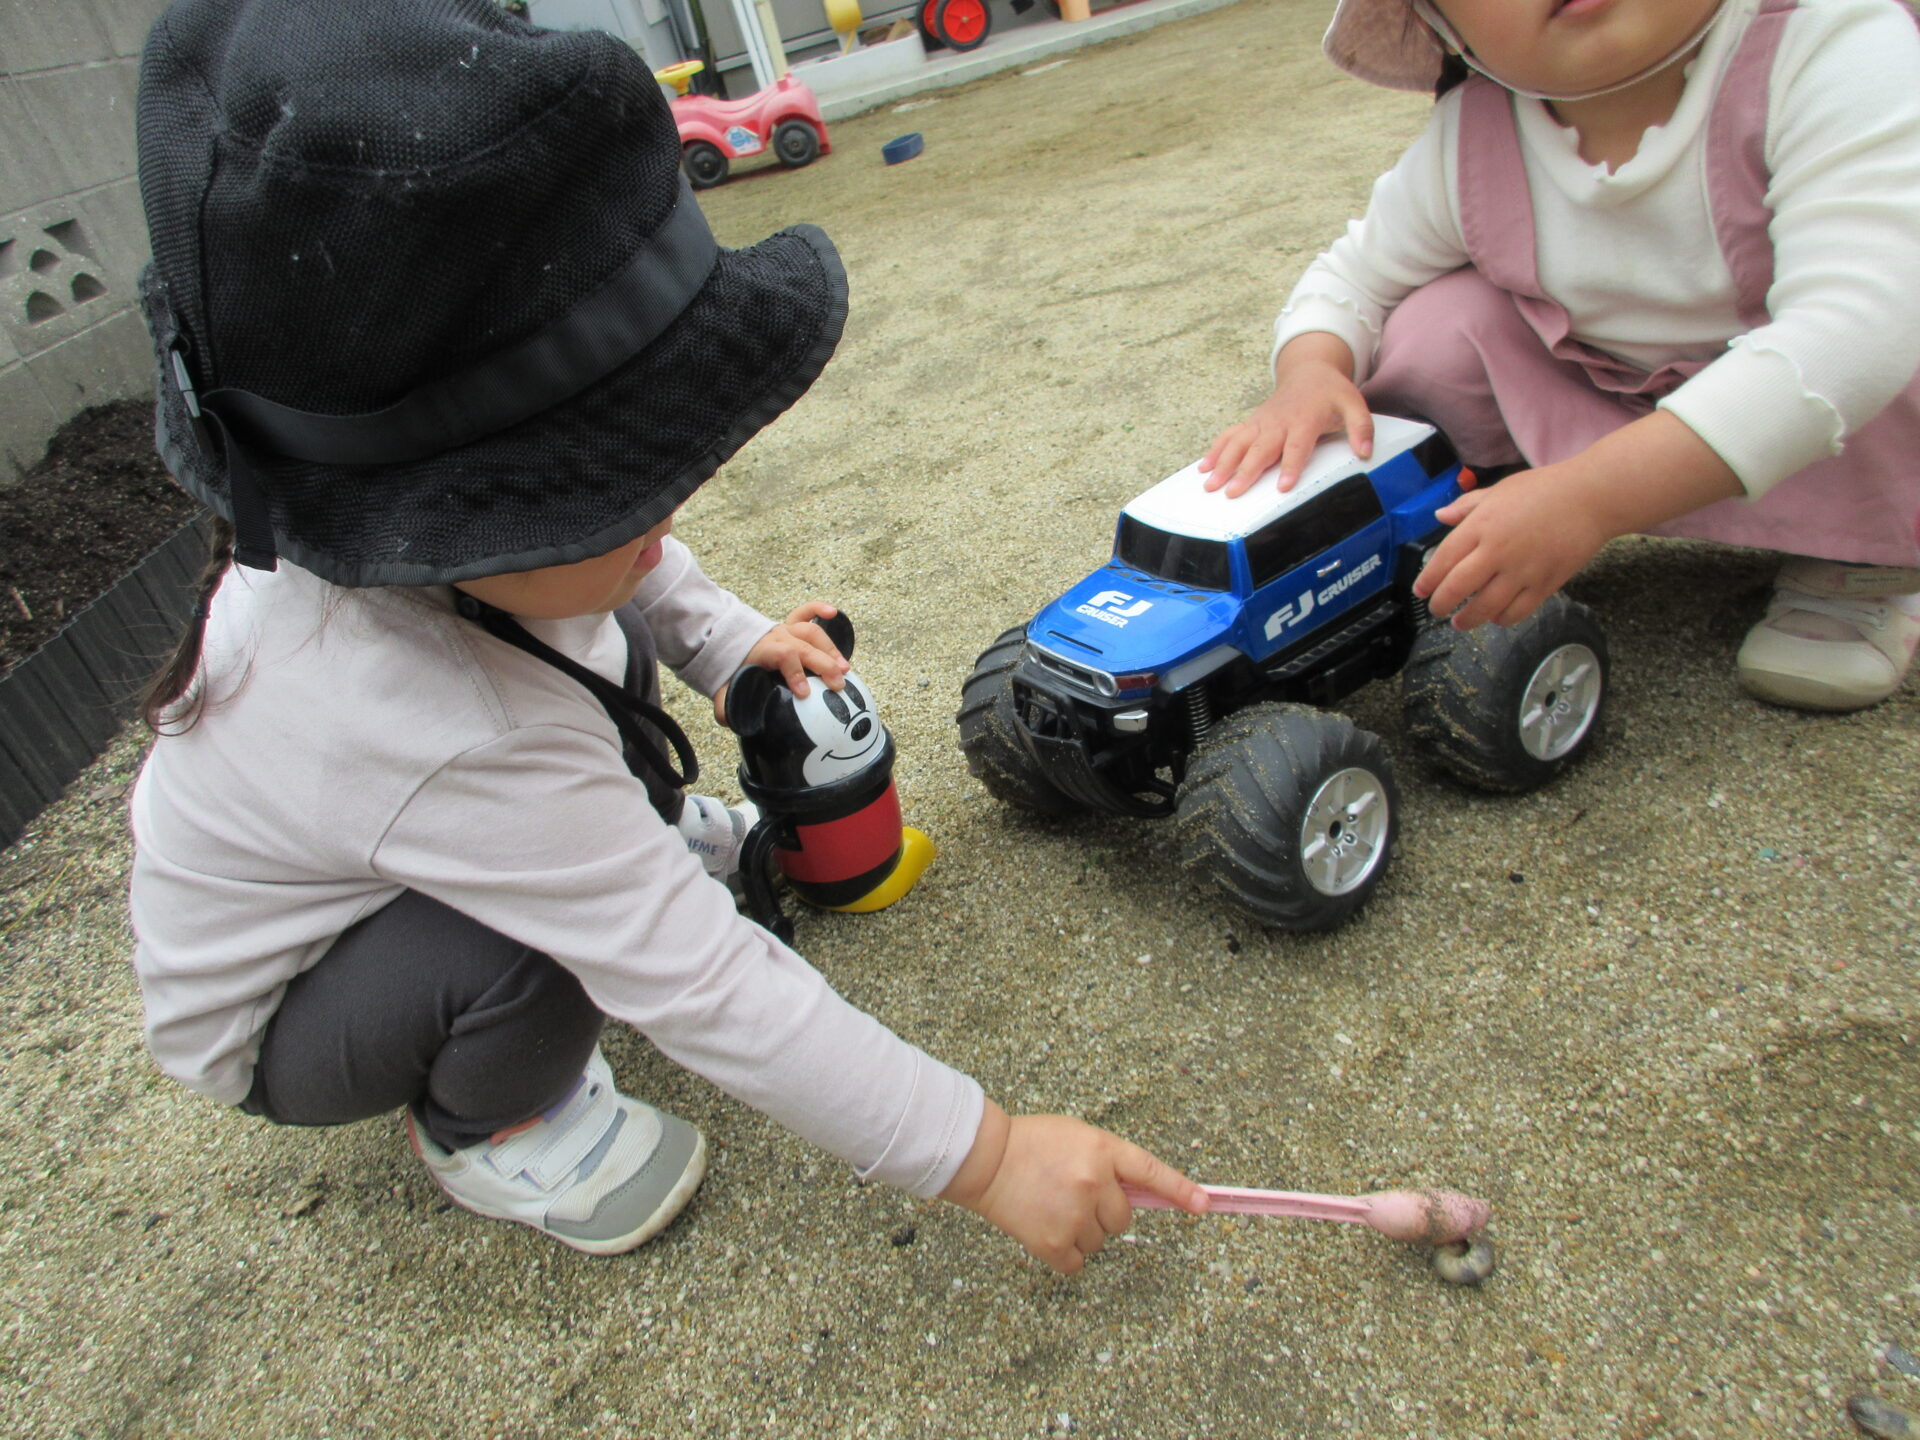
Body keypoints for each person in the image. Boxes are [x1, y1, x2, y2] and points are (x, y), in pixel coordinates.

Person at [126, 0, 1204, 1269]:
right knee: (539, 958)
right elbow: (701, 984)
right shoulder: (433, 717)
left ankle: (613, 851)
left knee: (607, 645)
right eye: (606, 486)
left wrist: (733, 641)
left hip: (411, 830)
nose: (666, 509)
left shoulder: (443, 558)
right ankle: (487, 1125)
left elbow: (631, 570)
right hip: (292, 1010)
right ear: (452, 521)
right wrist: (989, 1151)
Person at [1202, 0, 1920, 711]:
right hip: (1611, 389)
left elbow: (1853, 333)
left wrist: (1590, 499)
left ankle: (1862, 563)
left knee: (1874, 345)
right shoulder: (1476, 132)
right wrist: (1311, 370)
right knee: (1436, 323)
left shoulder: (1828, 42)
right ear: (1441, 23)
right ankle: (1478, 512)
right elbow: (1353, 278)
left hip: (1832, 419)